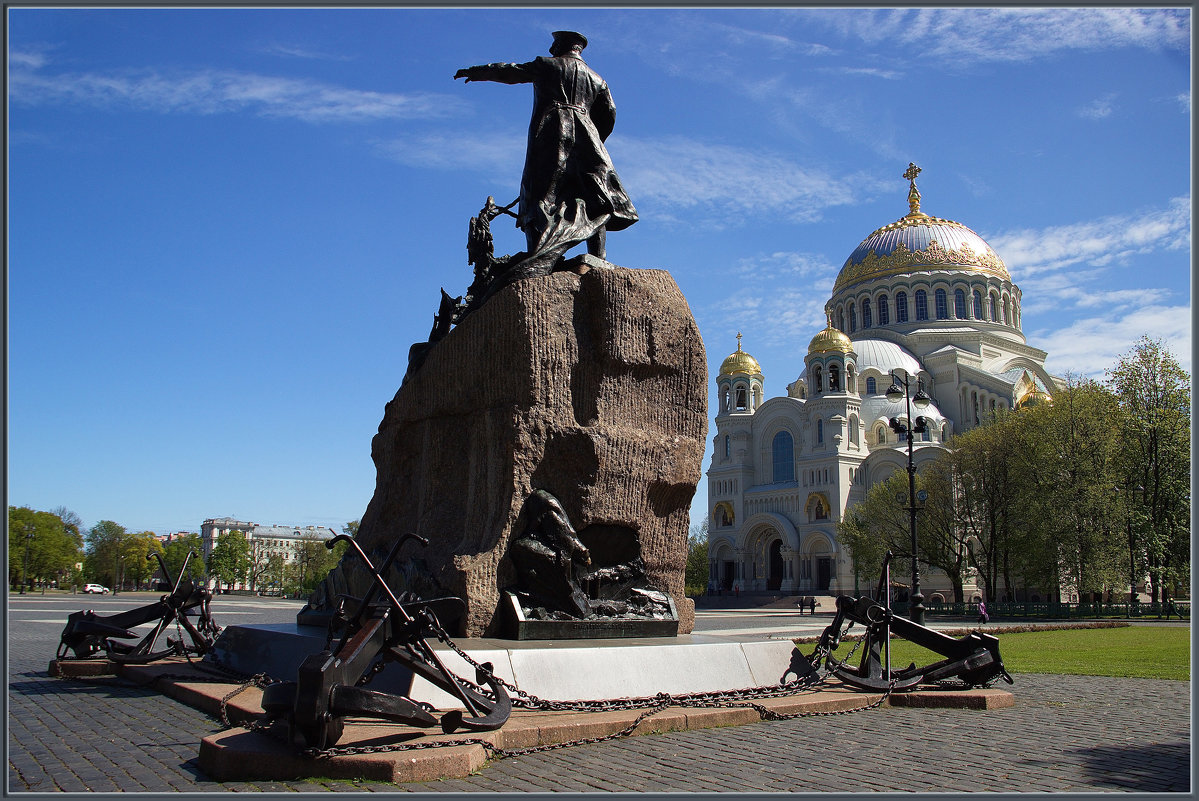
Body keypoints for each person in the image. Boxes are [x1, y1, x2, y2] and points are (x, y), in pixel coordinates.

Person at [455, 31, 638, 261]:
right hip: (587, 136)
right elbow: (609, 113)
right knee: (594, 195)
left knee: (537, 193)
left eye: (555, 43)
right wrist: (594, 137)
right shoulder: (597, 79)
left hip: (551, 131)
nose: (551, 48)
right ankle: (598, 257)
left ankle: (537, 253)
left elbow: (510, 71)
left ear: (562, 45)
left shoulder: (546, 65)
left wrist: (477, 72)